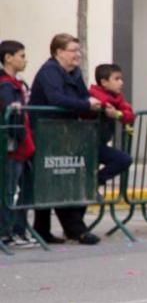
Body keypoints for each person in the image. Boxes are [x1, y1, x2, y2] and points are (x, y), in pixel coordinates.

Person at [29, 33, 103, 245]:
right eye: (73, 51)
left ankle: (56, 229)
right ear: (59, 52)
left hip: (67, 133)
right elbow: (56, 98)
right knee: (51, 179)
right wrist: (86, 105)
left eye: (78, 51)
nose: (77, 55)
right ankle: (69, 229)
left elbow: (79, 96)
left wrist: (91, 103)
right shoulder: (49, 71)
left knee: (63, 177)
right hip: (46, 133)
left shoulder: (74, 72)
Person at [0, 40, 35, 248]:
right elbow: (11, 115)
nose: (25, 59)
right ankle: (6, 232)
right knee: (8, 190)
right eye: (21, 55)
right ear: (8, 58)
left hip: (23, 146)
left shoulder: (17, 84)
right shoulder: (6, 85)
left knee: (25, 189)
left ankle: (18, 229)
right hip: (13, 146)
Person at [87, 64, 134, 188]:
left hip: (100, 144)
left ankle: (94, 183)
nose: (121, 83)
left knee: (124, 160)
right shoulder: (93, 95)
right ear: (104, 82)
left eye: (121, 79)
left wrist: (117, 114)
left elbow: (130, 115)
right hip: (87, 144)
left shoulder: (117, 98)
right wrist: (103, 107)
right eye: (116, 79)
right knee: (122, 159)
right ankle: (91, 185)